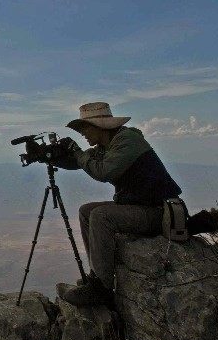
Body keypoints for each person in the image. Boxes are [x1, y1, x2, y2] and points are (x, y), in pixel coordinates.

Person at [54, 102, 182, 306]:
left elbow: (104, 172)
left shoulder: (127, 141)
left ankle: (101, 289)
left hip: (158, 212)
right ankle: (96, 275)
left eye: (85, 127)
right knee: (87, 211)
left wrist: (77, 153)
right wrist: (52, 157)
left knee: (100, 216)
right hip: (140, 207)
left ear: (100, 126)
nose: (83, 134)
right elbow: (82, 163)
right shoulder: (108, 144)